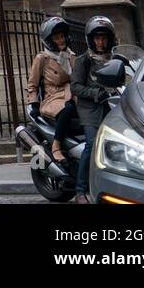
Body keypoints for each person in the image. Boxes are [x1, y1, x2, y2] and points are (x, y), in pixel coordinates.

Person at [70, 15, 118, 204]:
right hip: (90, 110)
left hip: (112, 107)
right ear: (91, 39)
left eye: (104, 37)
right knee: (92, 145)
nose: (101, 41)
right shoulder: (84, 60)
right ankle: (80, 191)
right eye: (97, 37)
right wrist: (95, 93)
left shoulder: (115, 60)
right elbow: (75, 87)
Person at [25, 16, 76, 160]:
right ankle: (56, 146)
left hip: (71, 94)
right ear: (49, 40)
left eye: (62, 36)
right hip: (53, 98)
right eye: (56, 38)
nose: (61, 40)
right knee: (68, 110)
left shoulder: (71, 56)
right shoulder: (43, 58)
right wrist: (33, 103)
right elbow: (32, 83)